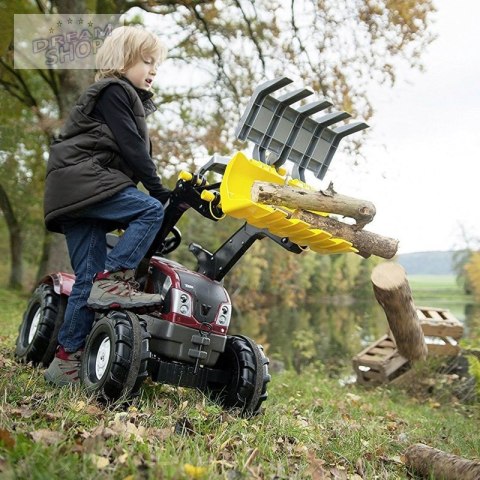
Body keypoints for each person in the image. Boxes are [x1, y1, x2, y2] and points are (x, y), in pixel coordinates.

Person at [43, 26, 171, 386]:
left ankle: (65, 362)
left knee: (86, 277)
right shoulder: (115, 91)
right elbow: (133, 148)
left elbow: (128, 150)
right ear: (123, 60)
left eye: (156, 64)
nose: (153, 69)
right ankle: (114, 280)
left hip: (73, 194)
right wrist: (158, 189)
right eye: (146, 61)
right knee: (149, 210)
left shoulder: (123, 97)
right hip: (83, 185)